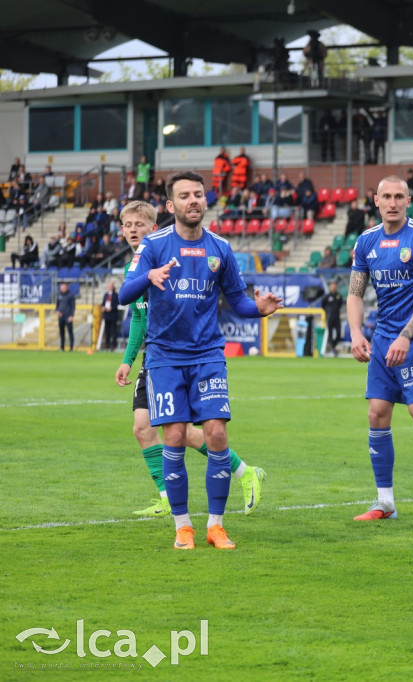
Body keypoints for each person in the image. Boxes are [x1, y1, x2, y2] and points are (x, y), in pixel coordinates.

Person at [119, 172, 283, 550]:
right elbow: (125, 294)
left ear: (205, 201)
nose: (192, 200)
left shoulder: (221, 248)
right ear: (170, 205)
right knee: (174, 436)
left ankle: (216, 525)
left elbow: (238, 301)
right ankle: (182, 527)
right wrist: (150, 276)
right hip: (164, 358)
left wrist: (259, 309)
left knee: (217, 434)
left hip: (208, 355)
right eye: (184, 196)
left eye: (198, 194)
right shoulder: (154, 245)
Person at [346, 175, 413, 523]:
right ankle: (384, 502)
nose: (392, 202)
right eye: (386, 196)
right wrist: (357, 333)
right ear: (376, 200)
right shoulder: (366, 240)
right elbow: (355, 292)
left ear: (408, 201)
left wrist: (406, 334)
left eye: (399, 197)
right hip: (384, 340)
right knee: (376, 414)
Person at [321, 279, 343, 357]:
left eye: (335, 285)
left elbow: (340, 304)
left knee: (338, 332)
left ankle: (334, 345)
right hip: (330, 317)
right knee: (330, 333)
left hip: (337, 317)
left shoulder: (339, 296)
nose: (333, 287)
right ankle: (332, 347)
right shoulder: (327, 297)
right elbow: (323, 306)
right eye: (332, 285)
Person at [55, 281, 76, 352]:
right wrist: (57, 311)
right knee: (61, 332)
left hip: (68, 316)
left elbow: (73, 306)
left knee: (70, 332)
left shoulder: (70, 295)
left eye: (63, 287)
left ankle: (71, 348)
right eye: (61, 287)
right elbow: (57, 305)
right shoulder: (59, 295)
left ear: (66, 287)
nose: (62, 288)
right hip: (61, 316)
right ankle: (62, 347)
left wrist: (71, 316)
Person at [101, 281, 120, 351]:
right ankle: (107, 344)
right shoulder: (106, 295)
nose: (110, 287)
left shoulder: (116, 295)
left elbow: (118, 304)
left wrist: (112, 307)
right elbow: (103, 303)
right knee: (107, 331)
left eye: (111, 285)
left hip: (113, 315)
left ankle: (113, 345)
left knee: (114, 331)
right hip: (107, 315)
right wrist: (103, 307)